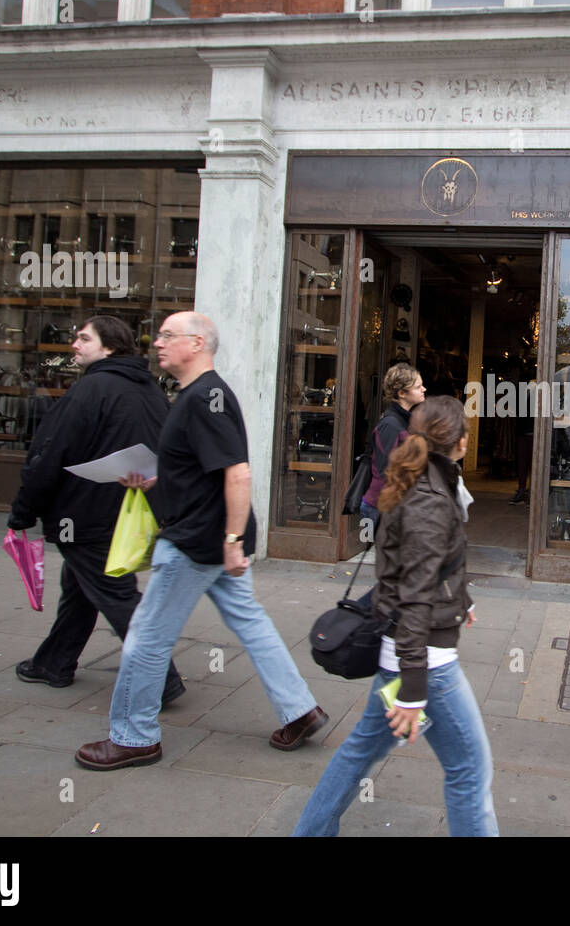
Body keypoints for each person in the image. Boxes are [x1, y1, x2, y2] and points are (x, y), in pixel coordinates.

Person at [75, 311, 326, 770]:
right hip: (207, 537)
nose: (157, 343)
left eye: (168, 335)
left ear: (197, 343)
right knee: (252, 623)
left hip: (196, 542)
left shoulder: (206, 397)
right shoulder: (193, 396)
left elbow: (238, 471)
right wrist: (155, 482)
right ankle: (300, 710)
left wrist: (232, 539)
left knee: (146, 638)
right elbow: (201, 471)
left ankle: (134, 737)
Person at [294, 396, 497, 836]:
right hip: (427, 665)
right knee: (469, 770)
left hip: (402, 659)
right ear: (461, 442)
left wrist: (461, 603)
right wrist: (413, 688)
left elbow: (422, 569)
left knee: (358, 753)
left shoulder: (422, 480)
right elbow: (414, 595)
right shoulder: (429, 496)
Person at [7, 316, 184, 705]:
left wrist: (23, 511)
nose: (74, 344)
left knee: (116, 595)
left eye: (84, 338)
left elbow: (49, 455)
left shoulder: (90, 390)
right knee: (80, 588)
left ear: (108, 348)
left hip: (87, 515)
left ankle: (162, 680)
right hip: (131, 511)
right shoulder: (150, 389)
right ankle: (53, 663)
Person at [359, 362, 426, 530]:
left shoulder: (405, 419)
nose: (423, 389)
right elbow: (387, 470)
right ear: (402, 393)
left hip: (393, 506)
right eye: (418, 387)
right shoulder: (390, 425)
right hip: (380, 508)